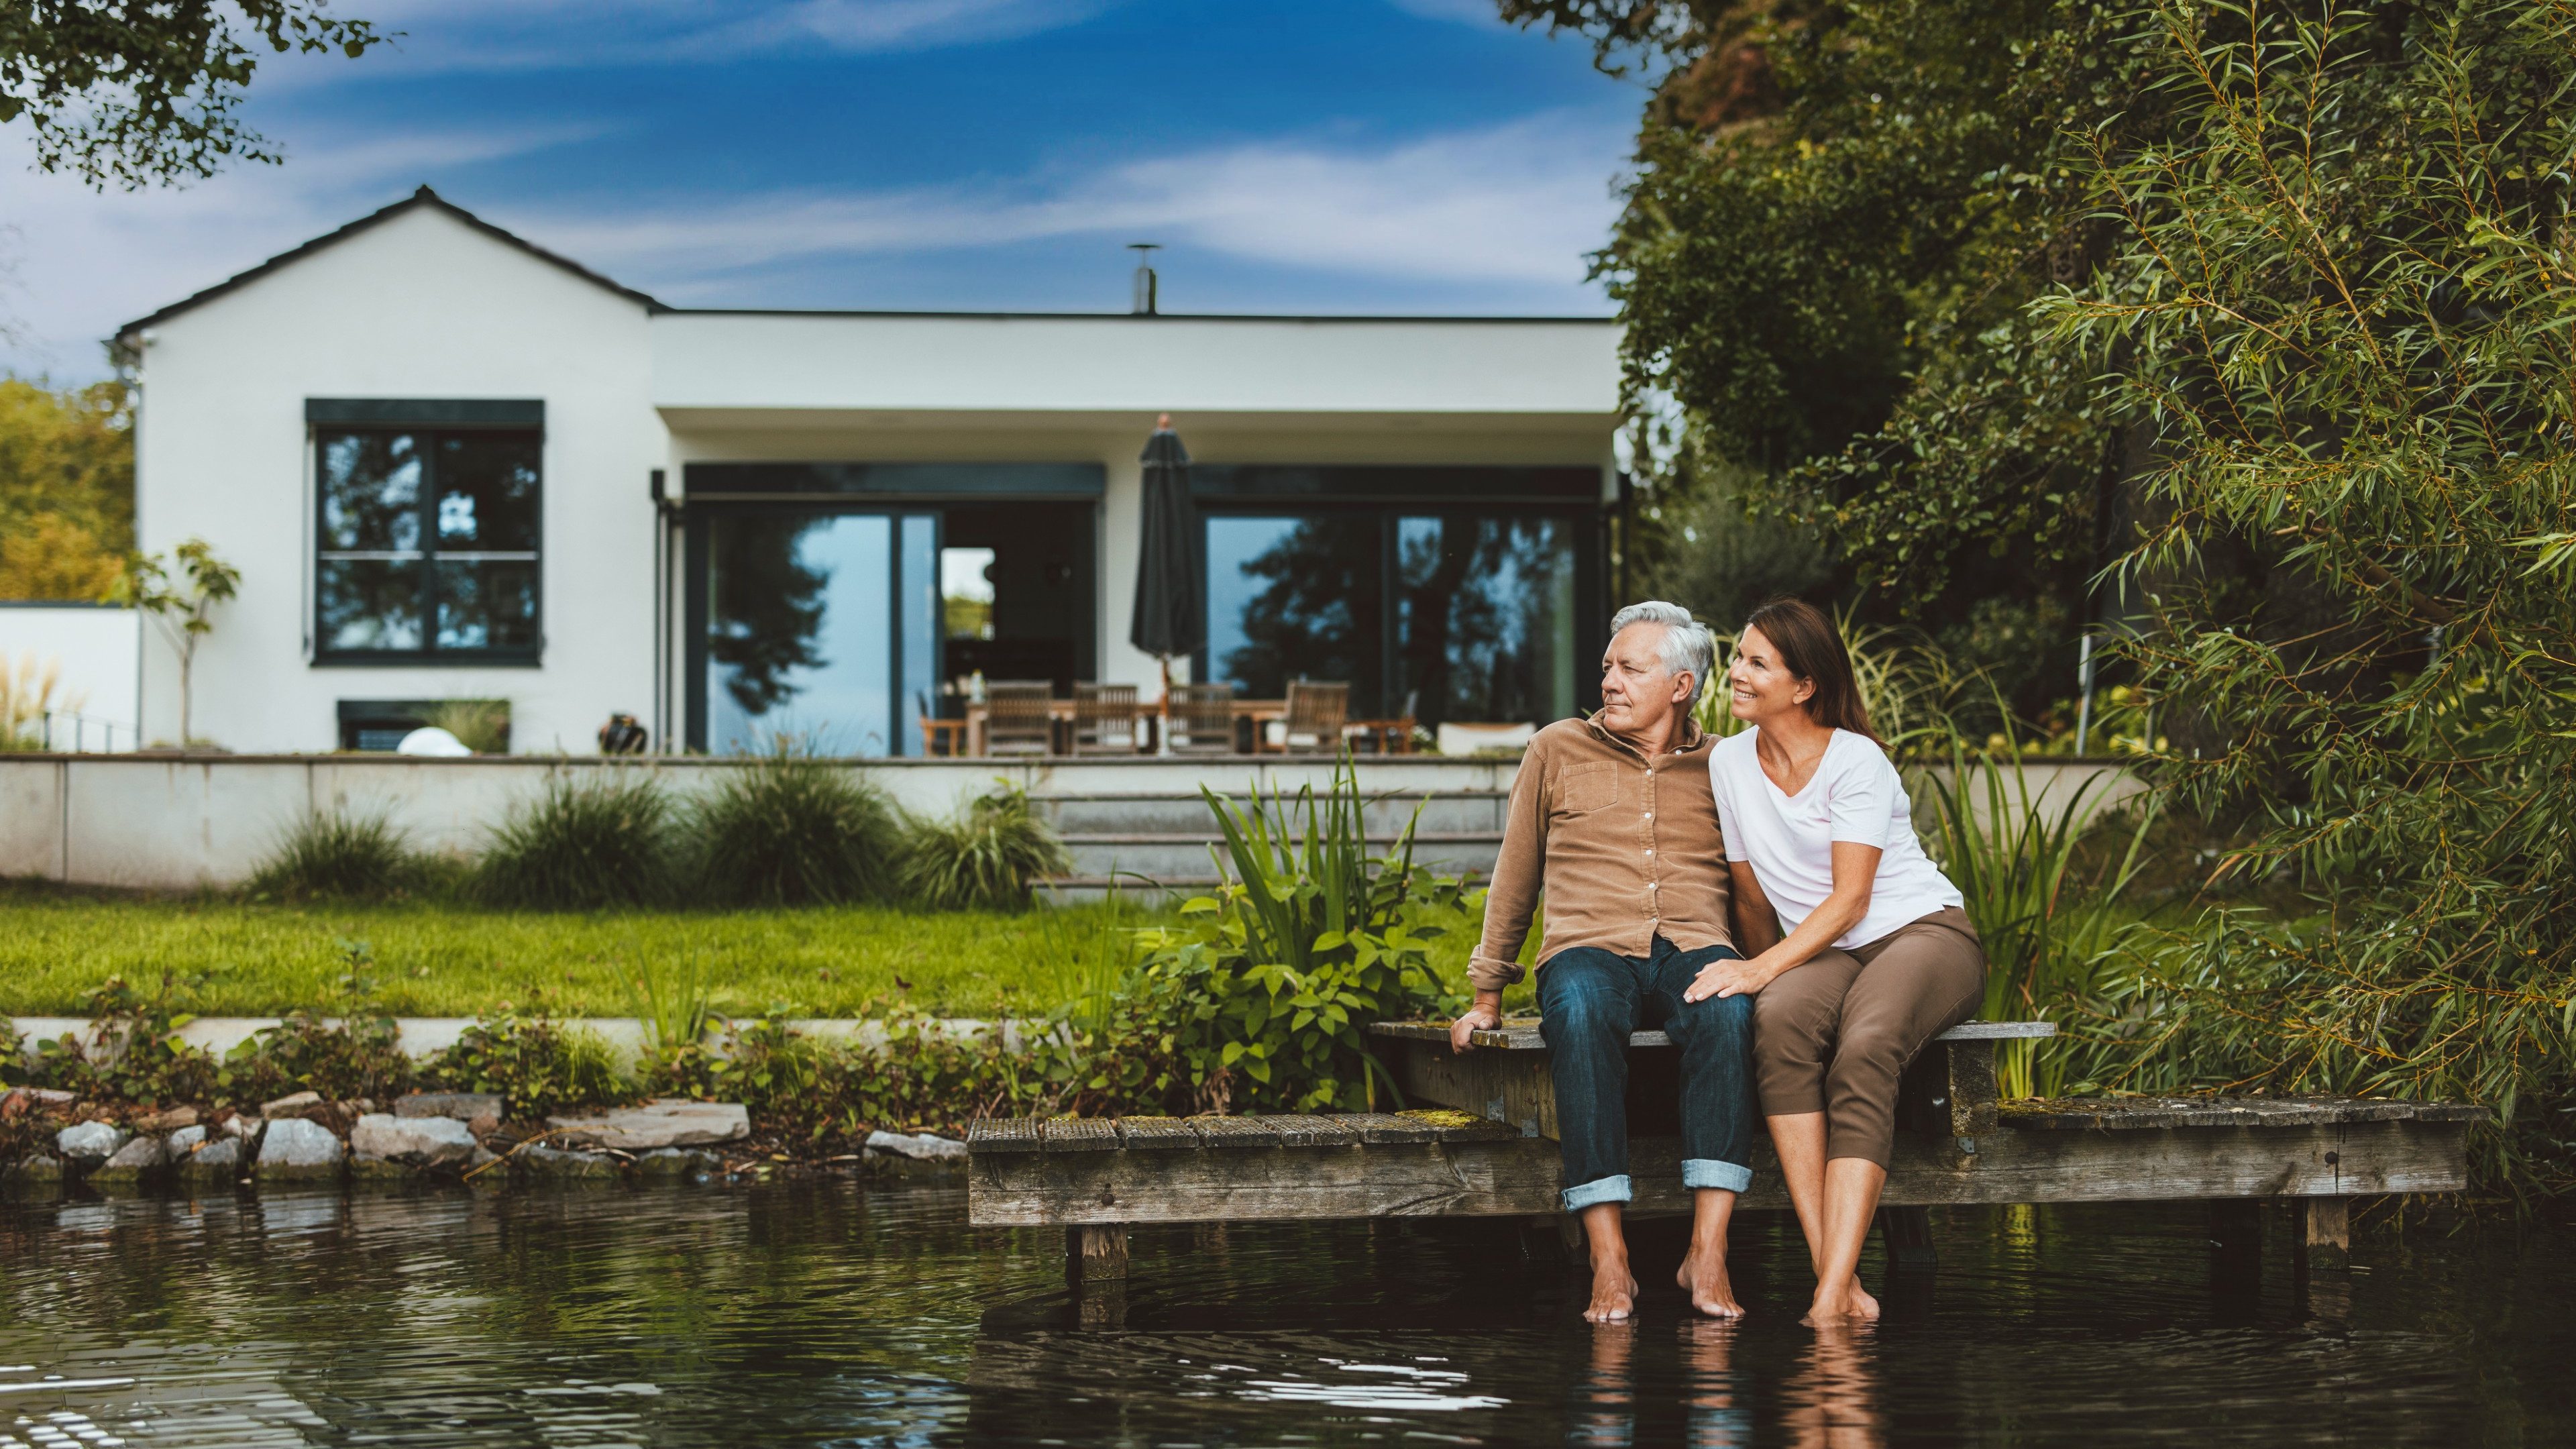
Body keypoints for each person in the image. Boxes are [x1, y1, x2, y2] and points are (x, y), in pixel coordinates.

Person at [1449, 600, 1760, 1324]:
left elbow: (1768, 876)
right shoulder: (1557, 748)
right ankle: (1609, 1255)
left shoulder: (1728, 763)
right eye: (1606, 668)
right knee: (1581, 1013)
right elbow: (1515, 874)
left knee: (1728, 1008)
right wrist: (1487, 993)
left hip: (1693, 943)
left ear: (1681, 685)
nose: (1610, 682)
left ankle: (1707, 1250)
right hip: (1587, 946)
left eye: (1630, 668)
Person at [1684, 596, 1986, 1324]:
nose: (1738, 673)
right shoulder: (1729, 761)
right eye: (1739, 657)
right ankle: (1839, 1283)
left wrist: (1759, 970)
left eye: (1758, 662)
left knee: (1866, 1046)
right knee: (1780, 1024)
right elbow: (1752, 897)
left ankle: (1826, 1299)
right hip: (1831, 952)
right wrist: (1764, 975)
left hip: (1920, 934)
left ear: (1805, 684)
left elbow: (1853, 900)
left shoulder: (1857, 760)